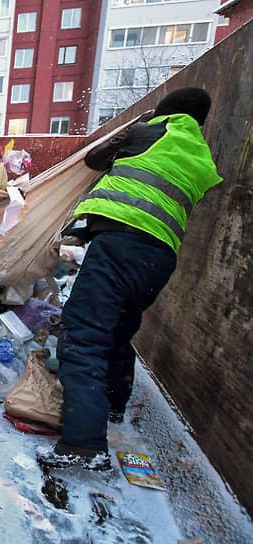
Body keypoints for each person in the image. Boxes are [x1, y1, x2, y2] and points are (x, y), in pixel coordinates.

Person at [38, 87, 221, 471]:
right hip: (160, 258)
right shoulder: (199, 156)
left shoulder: (149, 133)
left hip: (120, 244)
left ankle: (83, 445)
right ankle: (113, 405)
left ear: (164, 111)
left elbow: (94, 158)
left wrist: (139, 123)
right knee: (118, 333)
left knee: (83, 337)